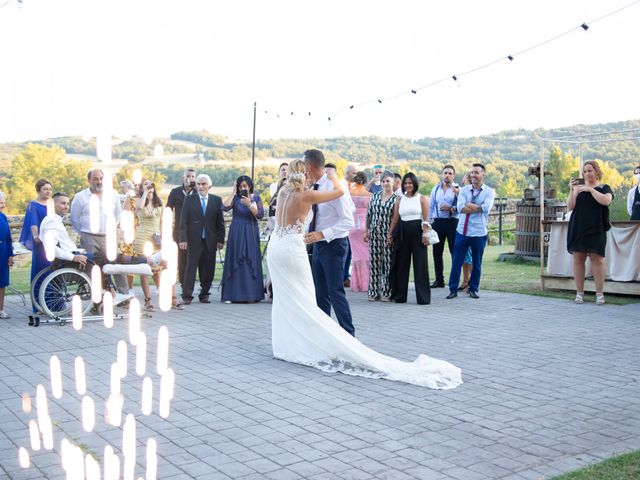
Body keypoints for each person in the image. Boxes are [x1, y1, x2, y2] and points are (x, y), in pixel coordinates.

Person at [268, 159, 462, 389]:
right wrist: (334, 178)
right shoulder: (306, 195)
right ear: (306, 174)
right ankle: (315, 342)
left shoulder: (282, 193)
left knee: (285, 298)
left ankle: (287, 344)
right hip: (292, 247)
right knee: (306, 298)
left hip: (276, 246)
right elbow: (341, 191)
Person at [40, 193, 151, 305]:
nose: (66, 206)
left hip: (71, 257)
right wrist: (73, 257)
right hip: (68, 262)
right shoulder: (52, 221)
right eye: (63, 203)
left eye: (67, 203)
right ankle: (146, 262)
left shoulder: (54, 220)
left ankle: (111, 290)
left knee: (106, 260)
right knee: (107, 257)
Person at [304, 149, 356, 336]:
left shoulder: (335, 186)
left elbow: (348, 221)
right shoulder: (314, 186)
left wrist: (322, 234)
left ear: (309, 166)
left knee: (335, 292)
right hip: (318, 246)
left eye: (304, 166)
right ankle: (324, 335)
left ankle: (349, 337)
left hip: (334, 244)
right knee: (320, 294)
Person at [70, 170, 131, 300]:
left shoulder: (113, 194)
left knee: (117, 265)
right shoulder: (80, 197)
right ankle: (97, 298)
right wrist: (84, 233)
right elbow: (74, 219)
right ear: (89, 180)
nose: (99, 181)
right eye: (95, 179)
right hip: (88, 237)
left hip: (108, 237)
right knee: (91, 268)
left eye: (101, 178)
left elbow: (117, 214)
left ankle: (124, 296)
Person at [567, 160, 613, 305]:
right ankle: (579, 292)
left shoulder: (604, 187)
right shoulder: (578, 189)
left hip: (596, 228)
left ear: (596, 171)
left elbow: (606, 201)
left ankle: (599, 293)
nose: (587, 173)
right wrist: (572, 189)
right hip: (578, 227)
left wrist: (591, 190)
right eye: (585, 171)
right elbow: (570, 206)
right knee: (578, 259)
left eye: (590, 170)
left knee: (598, 260)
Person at [447, 163, 495, 300]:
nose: (473, 175)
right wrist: (475, 206)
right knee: (457, 262)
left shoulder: (489, 192)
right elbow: (460, 208)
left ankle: (474, 289)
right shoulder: (464, 190)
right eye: (472, 172)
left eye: (476, 172)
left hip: (479, 232)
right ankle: (452, 289)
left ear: (483, 175)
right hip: (462, 231)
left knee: (477, 263)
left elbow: (485, 209)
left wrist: (468, 204)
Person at [179, 174, 225, 305]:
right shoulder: (189, 199)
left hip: (210, 240)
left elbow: (220, 222)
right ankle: (187, 295)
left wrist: (220, 240)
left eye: (203, 184)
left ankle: (204, 294)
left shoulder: (216, 200)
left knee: (208, 269)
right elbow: (183, 222)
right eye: (198, 184)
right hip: (193, 241)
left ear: (209, 186)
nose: (200, 186)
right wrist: (183, 239)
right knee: (190, 268)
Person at [387, 173, 432, 304]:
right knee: (401, 265)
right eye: (405, 183)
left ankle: (423, 298)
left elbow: (426, 219)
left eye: (410, 183)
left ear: (415, 184)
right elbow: (395, 219)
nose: (408, 185)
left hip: (418, 234)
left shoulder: (422, 199)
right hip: (402, 234)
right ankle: (400, 296)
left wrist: (425, 235)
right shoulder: (399, 200)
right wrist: (389, 235)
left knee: (420, 266)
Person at [221, 175, 265, 303]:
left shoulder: (256, 198)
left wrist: (250, 205)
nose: (243, 188)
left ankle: (252, 295)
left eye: (245, 186)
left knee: (249, 258)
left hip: (250, 231)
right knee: (235, 258)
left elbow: (260, 215)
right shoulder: (235, 198)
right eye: (240, 186)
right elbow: (224, 207)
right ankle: (231, 295)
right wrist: (233, 192)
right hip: (237, 231)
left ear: (250, 186)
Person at [19, 178, 53, 312]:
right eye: (45, 189)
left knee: (52, 271)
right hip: (41, 243)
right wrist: (36, 236)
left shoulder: (51, 204)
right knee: (41, 272)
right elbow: (33, 222)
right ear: (39, 190)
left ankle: (52, 304)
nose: (48, 192)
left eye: (50, 189)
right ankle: (38, 305)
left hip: (52, 242)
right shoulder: (33, 205)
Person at [364, 171, 398, 302]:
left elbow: (395, 219)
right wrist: (366, 230)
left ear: (393, 182)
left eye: (388, 181)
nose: (385, 183)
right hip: (374, 233)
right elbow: (369, 214)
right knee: (374, 263)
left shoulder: (396, 199)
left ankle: (387, 292)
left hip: (387, 234)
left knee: (388, 264)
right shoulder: (375, 196)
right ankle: (373, 291)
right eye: (383, 181)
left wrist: (390, 234)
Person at [167, 168, 196, 308]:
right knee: (182, 262)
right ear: (183, 178)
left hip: (195, 232)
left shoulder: (197, 192)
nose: (189, 178)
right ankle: (185, 291)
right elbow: (168, 210)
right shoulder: (175, 192)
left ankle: (194, 289)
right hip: (179, 233)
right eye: (187, 176)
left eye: (192, 176)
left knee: (194, 262)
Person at [429, 165, 460, 288]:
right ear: (442, 174)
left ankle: (454, 281)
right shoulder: (436, 189)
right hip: (438, 222)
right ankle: (439, 280)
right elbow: (431, 207)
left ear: (453, 175)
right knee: (437, 252)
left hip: (452, 222)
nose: (447, 175)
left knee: (454, 252)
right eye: (445, 173)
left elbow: (462, 207)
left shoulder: (458, 189)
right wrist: (429, 223)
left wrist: (450, 209)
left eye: (450, 173)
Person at [134, 179, 163, 311]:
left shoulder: (159, 202)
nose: (149, 185)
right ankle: (148, 300)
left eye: (151, 183)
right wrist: (145, 192)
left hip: (156, 238)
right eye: (145, 184)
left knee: (157, 268)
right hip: (143, 238)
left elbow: (162, 221)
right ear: (141, 188)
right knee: (144, 269)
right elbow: (139, 208)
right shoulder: (139, 200)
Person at [347, 171, 371, 292]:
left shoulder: (349, 194)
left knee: (356, 256)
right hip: (365, 226)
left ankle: (357, 284)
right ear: (366, 181)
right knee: (367, 255)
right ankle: (366, 284)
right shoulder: (369, 195)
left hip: (352, 227)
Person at [0, 191, 14, 319]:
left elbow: (9, 237)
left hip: (2, 251)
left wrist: (10, 255)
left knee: (2, 282)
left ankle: (1, 310)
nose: (2, 205)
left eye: (3, 202)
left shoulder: (3, 217)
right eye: (0, 203)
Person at [459, 172, 473, 291]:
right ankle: (465, 281)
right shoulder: (462, 191)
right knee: (465, 258)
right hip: (462, 228)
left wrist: (466, 207)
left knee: (471, 258)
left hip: (472, 229)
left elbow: (464, 207)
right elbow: (460, 208)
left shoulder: (468, 192)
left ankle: (472, 282)